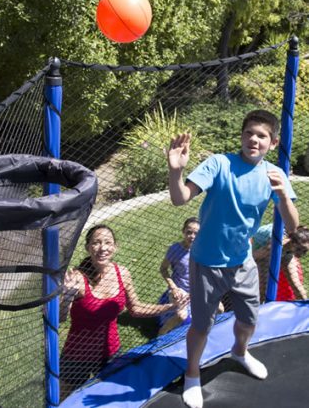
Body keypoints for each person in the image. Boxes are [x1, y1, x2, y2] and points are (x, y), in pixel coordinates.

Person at [167, 109, 299, 408]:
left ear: (273, 142)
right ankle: (191, 374)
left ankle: (239, 352)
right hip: (207, 263)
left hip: (243, 262)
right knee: (201, 325)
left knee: (249, 319)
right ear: (241, 136)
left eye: (262, 135)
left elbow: (292, 225)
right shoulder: (219, 164)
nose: (254, 139)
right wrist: (176, 170)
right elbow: (179, 198)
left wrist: (281, 195)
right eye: (249, 133)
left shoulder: (273, 174)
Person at [59, 224, 189, 398]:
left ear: (115, 247)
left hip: (110, 351)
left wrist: (171, 307)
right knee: (65, 399)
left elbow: (135, 309)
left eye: (107, 242)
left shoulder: (122, 273)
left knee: (109, 397)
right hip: (77, 354)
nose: (102, 248)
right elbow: (60, 318)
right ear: (88, 247)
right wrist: (67, 297)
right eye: (96, 243)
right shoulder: (77, 278)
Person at [252, 223, 309, 301]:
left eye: (305, 251)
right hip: (263, 248)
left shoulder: (294, 244)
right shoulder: (274, 245)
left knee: (295, 283)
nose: (301, 254)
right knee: (263, 288)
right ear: (292, 242)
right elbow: (254, 256)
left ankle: (306, 307)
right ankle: (259, 309)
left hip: (287, 250)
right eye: (299, 249)